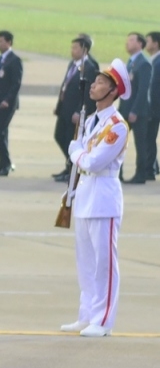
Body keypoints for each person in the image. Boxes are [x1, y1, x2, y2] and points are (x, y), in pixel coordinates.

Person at [62, 59, 129, 338]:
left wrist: (74, 151)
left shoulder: (116, 126)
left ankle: (103, 320)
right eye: (95, 81)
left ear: (113, 91)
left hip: (104, 198)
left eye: (101, 82)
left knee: (105, 264)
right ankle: (87, 314)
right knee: (86, 263)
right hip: (86, 196)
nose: (94, 85)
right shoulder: (91, 120)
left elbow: (92, 162)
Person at [52, 36, 99, 184]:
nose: (72, 51)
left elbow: (88, 93)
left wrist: (80, 111)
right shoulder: (72, 65)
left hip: (75, 112)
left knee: (70, 139)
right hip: (65, 109)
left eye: (75, 48)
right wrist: (59, 106)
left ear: (84, 49)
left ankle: (73, 169)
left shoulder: (89, 68)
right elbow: (66, 86)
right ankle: (69, 165)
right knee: (60, 136)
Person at [0, 30, 22, 177]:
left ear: (9, 43)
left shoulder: (14, 60)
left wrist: (7, 100)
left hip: (7, 104)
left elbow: (16, 83)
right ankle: (1, 163)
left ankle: (6, 163)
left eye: (0, 41)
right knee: (1, 133)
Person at [120, 32, 152, 184]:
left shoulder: (143, 64)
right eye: (128, 40)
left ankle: (141, 174)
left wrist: (135, 110)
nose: (128, 43)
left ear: (140, 44)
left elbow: (143, 90)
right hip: (125, 110)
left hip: (137, 112)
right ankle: (117, 173)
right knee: (118, 142)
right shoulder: (130, 62)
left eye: (131, 40)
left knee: (141, 144)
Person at [144, 31, 160, 182]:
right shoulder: (153, 60)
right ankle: (153, 165)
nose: (146, 43)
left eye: (147, 41)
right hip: (153, 108)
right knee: (149, 138)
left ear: (155, 43)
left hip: (154, 109)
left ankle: (149, 169)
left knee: (148, 138)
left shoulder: (158, 62)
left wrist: (151, 110)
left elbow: (155, 90)